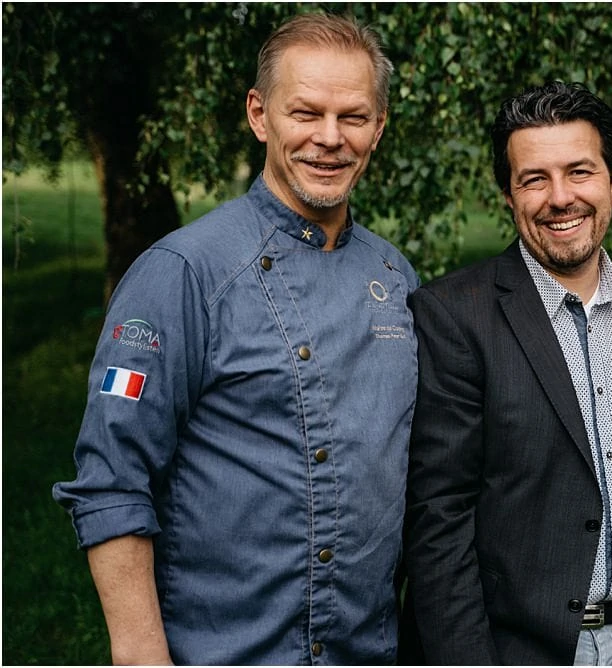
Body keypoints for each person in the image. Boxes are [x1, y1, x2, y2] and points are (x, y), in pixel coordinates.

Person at [52, 13, 419, 665]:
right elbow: (111, 479)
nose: (329, 139)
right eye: (305, 113)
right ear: (259, 115)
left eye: (353, 117)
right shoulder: (182, 274)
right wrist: (141, 657)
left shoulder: (393, 273)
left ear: (380, 126)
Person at [400, 81, 612, 666]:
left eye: (579, 172)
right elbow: (438, 519)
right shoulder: (455, 315)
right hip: (517, 649)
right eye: (534, 179)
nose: (560, 198)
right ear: (509, 195)